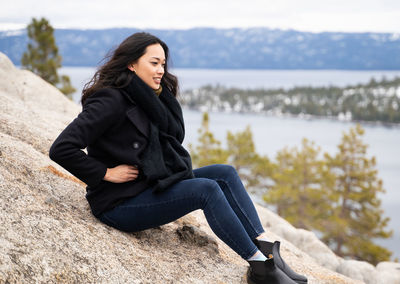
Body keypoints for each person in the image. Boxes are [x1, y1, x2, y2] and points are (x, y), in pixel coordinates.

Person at [49, 32, 307, 284]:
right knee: (205, 189)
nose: (161, 70)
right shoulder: (110, 100)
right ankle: (260, 267)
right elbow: (62, 148)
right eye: (153, 63)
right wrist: (106, 173)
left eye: (162, 63)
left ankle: (267, 250)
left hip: (149, 184)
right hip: (119, 203)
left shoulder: (149, 97)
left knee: (224, 173)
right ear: (131, 63)